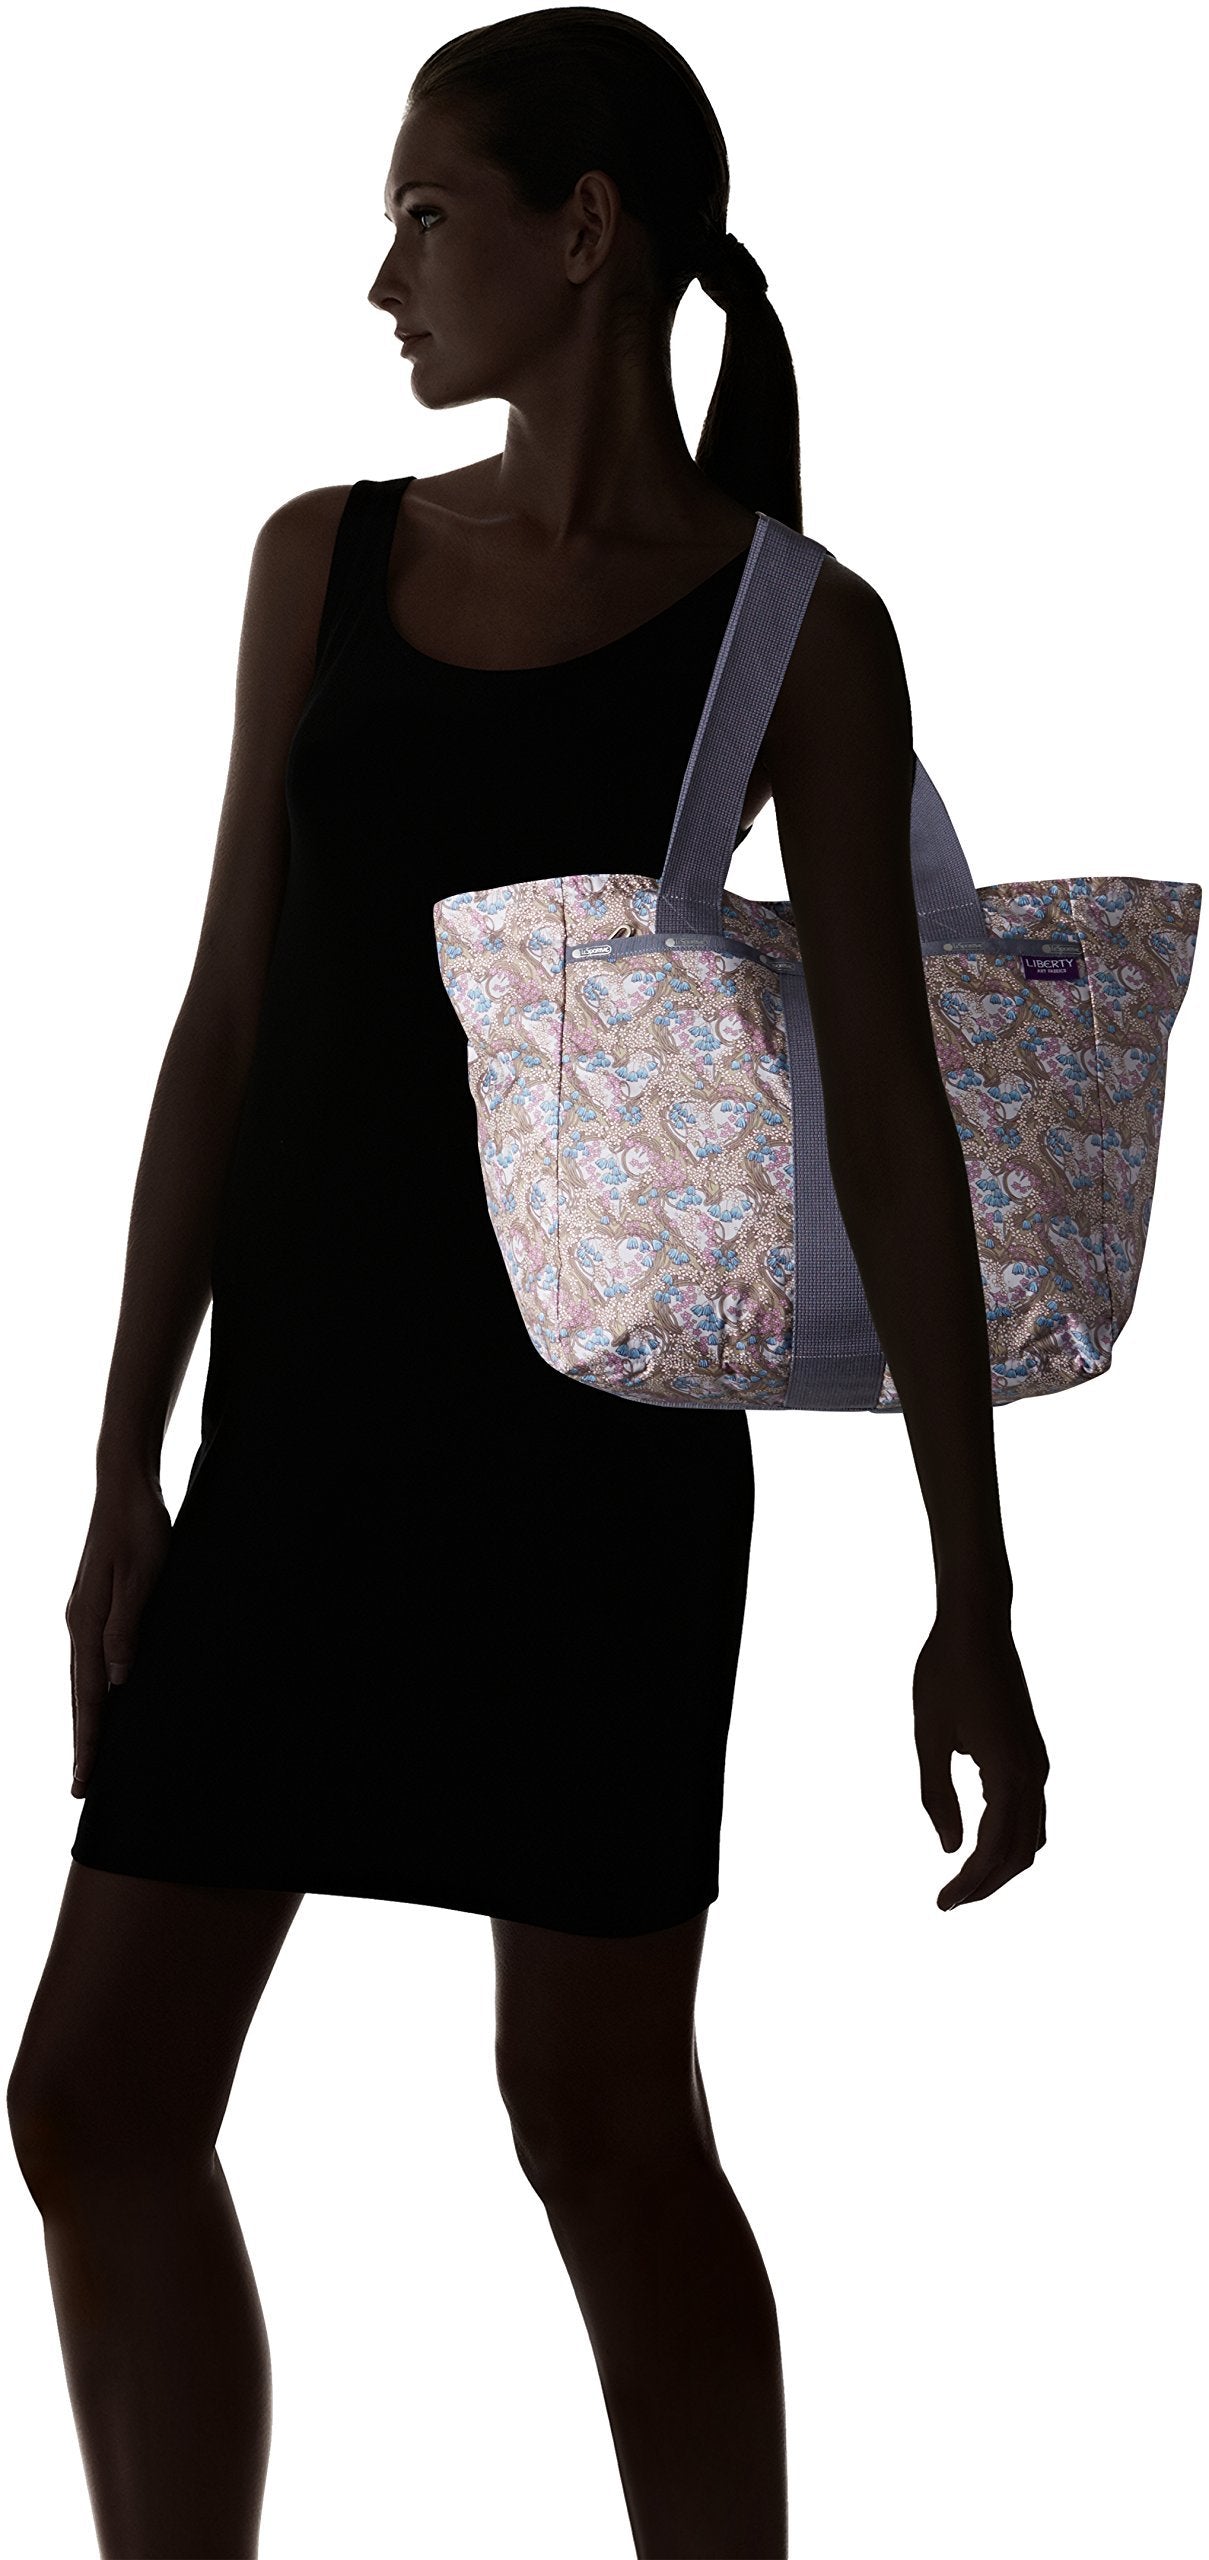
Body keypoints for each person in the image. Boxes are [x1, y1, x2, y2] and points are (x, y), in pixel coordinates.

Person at [7, 10, 1049, 2556]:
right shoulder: (319, 557)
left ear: (583, 233)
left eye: (425, 214)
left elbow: (891, 1120)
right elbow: (227, 1015)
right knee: (92, 2093)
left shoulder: (791, 628)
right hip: (290, 1452)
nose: (384, 279)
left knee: (593, 2114)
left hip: (589, 1482)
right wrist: (125, 1462)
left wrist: (973, 1586)